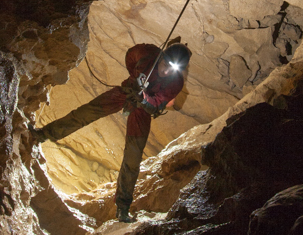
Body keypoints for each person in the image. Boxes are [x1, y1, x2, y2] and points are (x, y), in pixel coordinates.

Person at [29, 42, 191, 222]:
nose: (167, 72)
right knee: (87, 112)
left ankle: (123, 207)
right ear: (161, 57)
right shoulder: (147, 53)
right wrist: (134, 76)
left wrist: (143, 98)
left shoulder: (176, 82)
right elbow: (131, 55)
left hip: (142, 110)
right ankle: (42, 135)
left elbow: (156, 104)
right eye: (166, 65)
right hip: (127, 91)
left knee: (133, 156)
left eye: (173, 70)